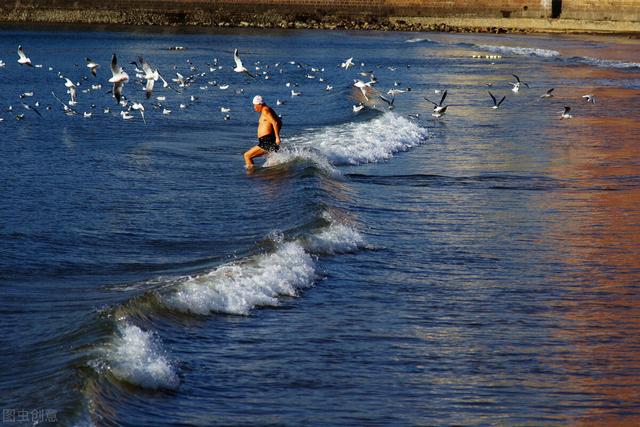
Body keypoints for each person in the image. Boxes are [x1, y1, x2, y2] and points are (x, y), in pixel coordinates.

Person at [243, 95, 282, 170]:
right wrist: (274, 136)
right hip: (268, 140)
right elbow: (279, 122)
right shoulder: (268, 109)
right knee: (272, 165)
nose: (254, 108)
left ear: (260, 104)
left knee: (247, 156)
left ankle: (251, 175)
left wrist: (277, 137)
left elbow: (275, 123)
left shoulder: (265, 110)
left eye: (255, 105)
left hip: (267, 141)